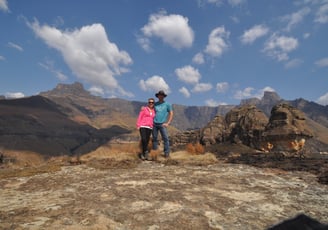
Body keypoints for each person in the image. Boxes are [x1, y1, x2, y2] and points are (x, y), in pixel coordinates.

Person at [152, 90, 173, 158]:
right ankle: (155, 154)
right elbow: (150, 110)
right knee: (154, 139)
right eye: (159, 95)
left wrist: (168, 123)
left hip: (162, 124)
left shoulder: (167, 104)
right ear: (158, 96)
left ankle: (166, 153)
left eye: (162, 95)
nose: (161, 96)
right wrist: (143, 108)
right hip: (154, 123)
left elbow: (171, 113)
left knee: (165, 138)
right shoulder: (155, 104)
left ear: (164, 96)